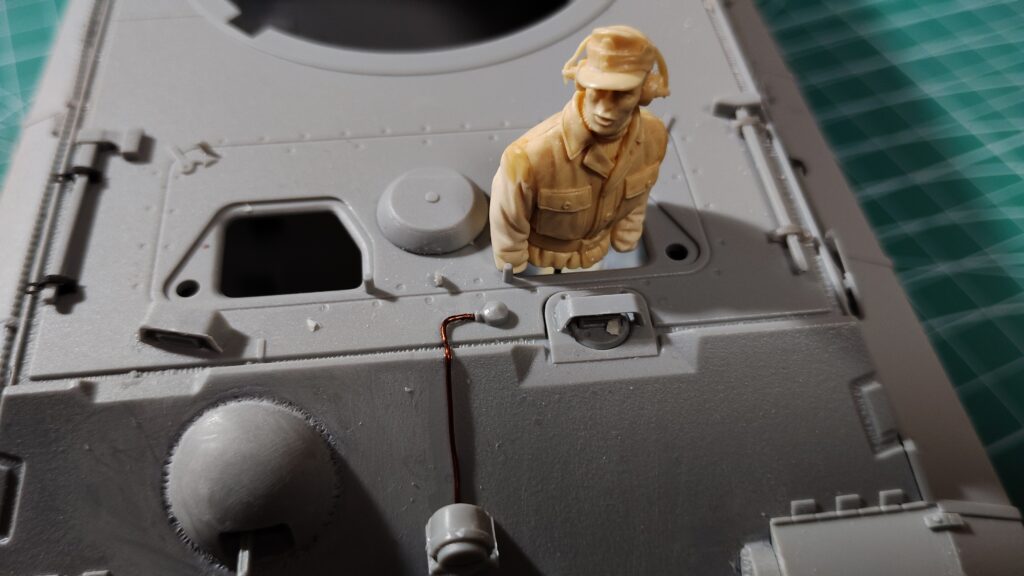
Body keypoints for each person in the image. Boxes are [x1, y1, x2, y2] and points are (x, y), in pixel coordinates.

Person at [490, 25, 670, 273]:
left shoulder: (654, 136)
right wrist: (512, 263)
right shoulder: (529, 157)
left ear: (646, 91)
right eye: (597, 92)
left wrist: (627, 232)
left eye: (623, 95)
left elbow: (639, 194)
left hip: (600, 252)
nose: (604, 109)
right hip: (543, 256)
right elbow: (508, 218)